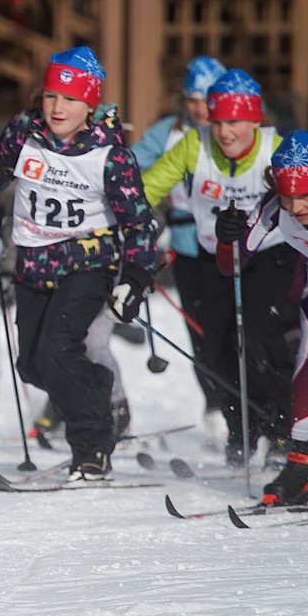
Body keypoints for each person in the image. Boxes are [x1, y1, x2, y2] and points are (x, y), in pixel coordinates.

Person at [0, 46, 158, 481]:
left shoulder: (110, 156)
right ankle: (99, 391)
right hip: (34, 262)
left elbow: (140, 223)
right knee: (32, 364)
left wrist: (135, 278)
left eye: (70, 100)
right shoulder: (25, 130)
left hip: (87, 264)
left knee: (59, 351)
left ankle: (92, 447)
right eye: (51, 96)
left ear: (89, 105)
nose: (57, 108)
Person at [142, 68, 297, 467]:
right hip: (215, 258)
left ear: (254, 121)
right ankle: (241, 430)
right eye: (218, 122)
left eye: (234, 122)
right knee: (215, 349)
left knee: (264, 344)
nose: (224, 132)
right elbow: (146, 190)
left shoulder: (275, 149)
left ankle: (282, 432)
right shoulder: (194, 144)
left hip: (270, 258)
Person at [214, 131, 308, 513]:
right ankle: (302, 463)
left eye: (306, 195)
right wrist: (226, 238)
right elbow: (232, 266)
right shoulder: (275, 207)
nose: (295, 206)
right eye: (288, 194)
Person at [133, 55, 229, 450]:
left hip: (230, 249)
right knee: (200, 336)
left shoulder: (233, 134)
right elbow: (132, 168)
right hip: (188, 248)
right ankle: (214, 407)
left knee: (236, 334)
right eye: (192, 98)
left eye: (207, 98)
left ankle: (251, 414)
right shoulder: (168, 133)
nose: (199, 108)